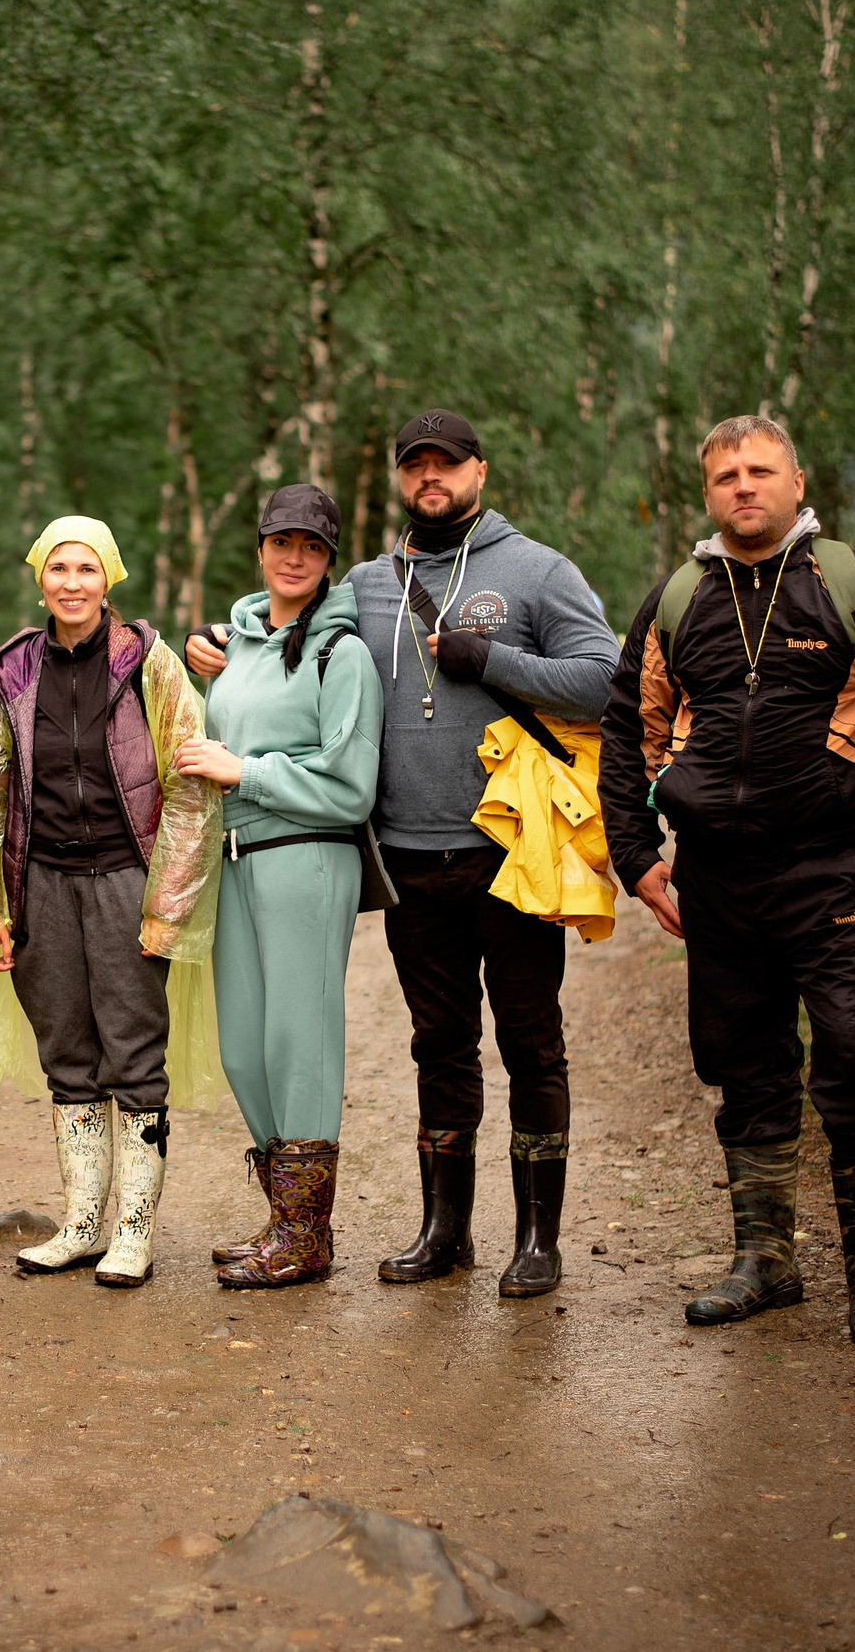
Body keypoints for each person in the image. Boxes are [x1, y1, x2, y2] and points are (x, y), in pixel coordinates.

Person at [185, 411, 618, 1295]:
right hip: (415, 856)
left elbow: (607, 676)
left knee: (533, 1043)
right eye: (415, 465)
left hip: (514, 848)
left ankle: (538, 1240)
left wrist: (494, 658)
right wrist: (224, 648)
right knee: (441, 1044)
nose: (432, 477)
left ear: (479, 472)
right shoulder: (370, 584)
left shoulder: (537, 571)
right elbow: (289, 642)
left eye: (446, 464)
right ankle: (444, 1231)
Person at [597, 414, 855, 1349]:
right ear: (707, 492)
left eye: (760, 470)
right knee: (744, 1066)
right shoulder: (678, 600)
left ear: (797, 482)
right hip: (720, 880)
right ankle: (765, 1260)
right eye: (725, 474)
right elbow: (624, 731)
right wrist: (638, 856)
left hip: (839, 869)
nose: (743, 486)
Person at [0, 517, 222, 1288]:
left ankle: (134, 1232)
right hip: (40, 884)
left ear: (109, 579)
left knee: (134, 1053)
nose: (71, 582)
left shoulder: (151, 665)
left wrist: (167, 907)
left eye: (86, 569)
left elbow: (189, 793)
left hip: (125, 882)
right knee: (67, 1053)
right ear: (40, 578)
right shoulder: (8, 676)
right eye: (57, 568)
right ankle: (80, 1223)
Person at [173, 485, 382, 1288]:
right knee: (244, 1047)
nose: (293, 556)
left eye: (311, 546)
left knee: (299, 1043)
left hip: (309, 856)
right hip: (233, 857)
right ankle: (284, 1213)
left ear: (329, 560)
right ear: (260, 548)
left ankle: (305, 1233)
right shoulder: (240, 644)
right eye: (280, 541)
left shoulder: (344, 653)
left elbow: (351, 786)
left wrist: (244, 769)